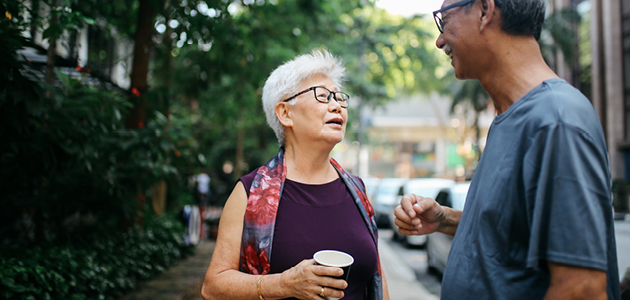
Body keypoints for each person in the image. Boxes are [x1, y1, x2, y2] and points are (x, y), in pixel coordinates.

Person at [394, 0, 621, 299]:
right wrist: (444, 219)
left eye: (443, 21)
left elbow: (581, 289)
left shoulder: (556, 119)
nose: (439, 40)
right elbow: (513, 232)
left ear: (485, 11)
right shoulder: (510, 118)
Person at [201, 49, 389, 300]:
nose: (337, 106)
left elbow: (377, 278)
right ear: (285, 114)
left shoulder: (357, 190)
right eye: (322, 96)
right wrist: (282, 284)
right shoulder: (250, 193)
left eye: (339, 97)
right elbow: (213, 287)